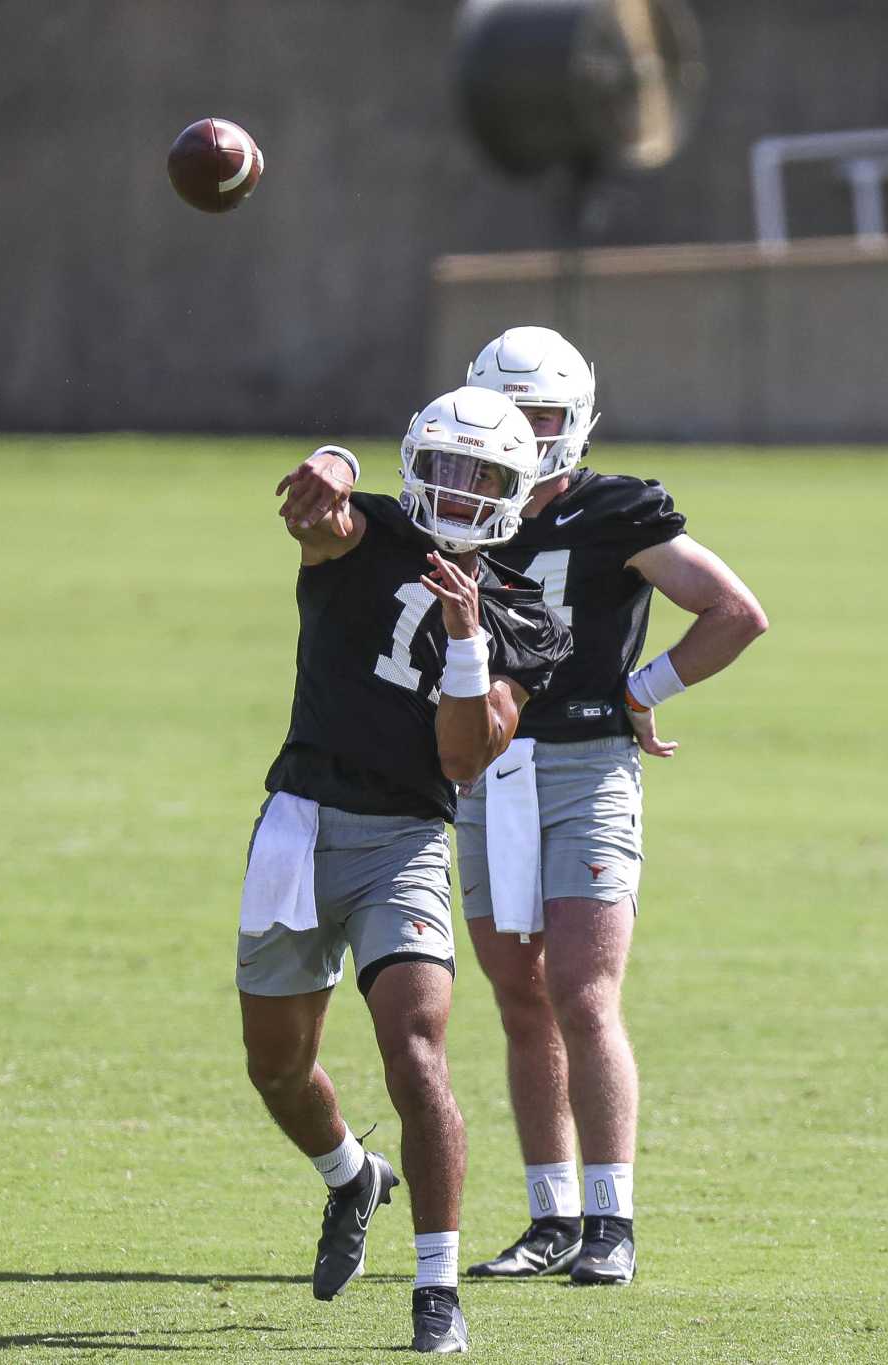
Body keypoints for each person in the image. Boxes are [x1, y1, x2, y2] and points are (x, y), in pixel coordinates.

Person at [243, 387, 571, 1354]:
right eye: (450, 466)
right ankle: (351, 1174)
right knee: (277, 1067)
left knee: (416, 1051)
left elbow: (466, 759)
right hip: (300, 825)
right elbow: (322, 511)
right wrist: (331, 460)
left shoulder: (523, 618)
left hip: (405, 841)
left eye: (483, 477)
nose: (461, 490)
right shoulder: (372, 531)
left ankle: (436, 1289)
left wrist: (467, 640)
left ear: (514, 492)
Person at [454, 326, 768, 1284]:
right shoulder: (456, 503)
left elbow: (735, 612)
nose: (526, 430)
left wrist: (643, 690)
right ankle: (550, 1218)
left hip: (587, 767)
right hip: (485, 770)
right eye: (512, 411)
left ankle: (612, 1221)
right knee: (518, 993)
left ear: (577, 418)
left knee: (583, 993)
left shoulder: (616, 510)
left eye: (543, 413)